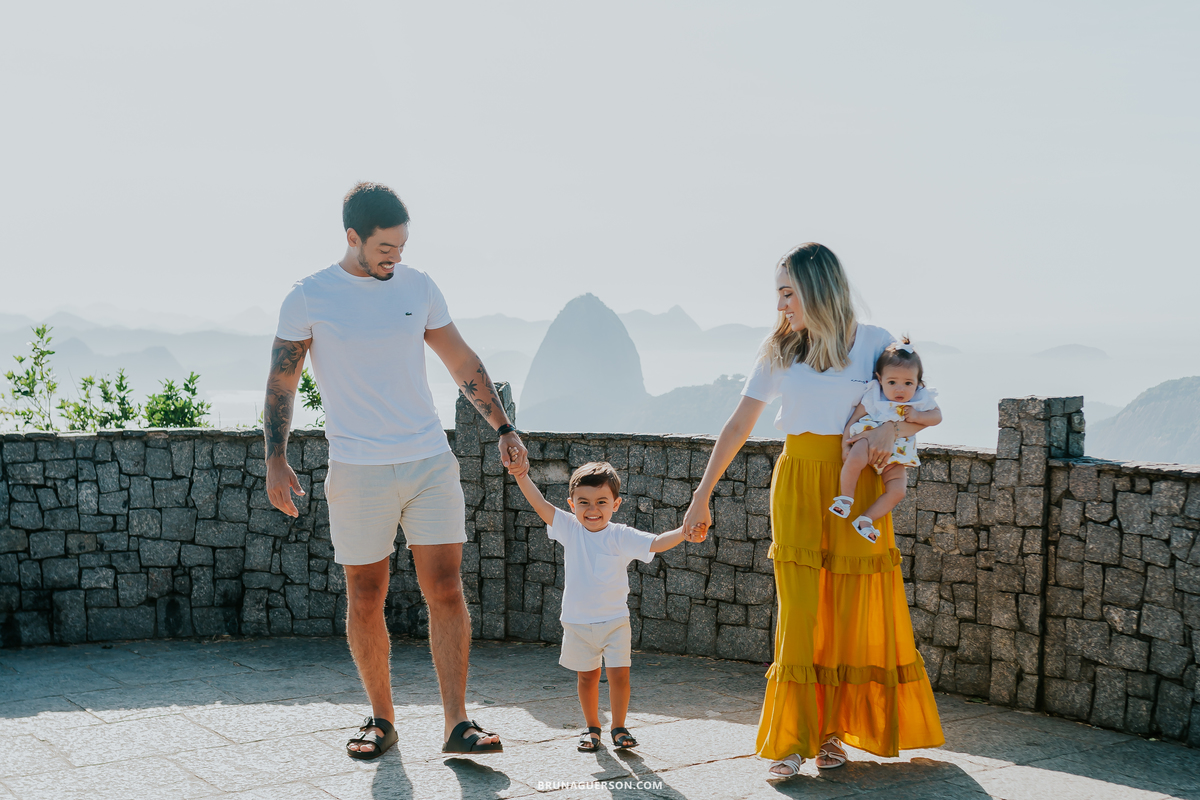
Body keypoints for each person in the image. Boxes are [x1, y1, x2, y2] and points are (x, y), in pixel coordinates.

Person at [264, 182, 528, 760]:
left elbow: (461, 359)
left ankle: (457, 723)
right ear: (352, 237)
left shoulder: (418, 286)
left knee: (447, 590)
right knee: (365, 596)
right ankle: (381, 720)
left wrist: (503, 428)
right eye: (385, 247)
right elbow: (283, 381)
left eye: (402, 245)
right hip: (358, 469)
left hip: (429, 461)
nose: (396, 256)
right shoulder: (309, 296)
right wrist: (275, 459)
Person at [681, 242, 945, 780]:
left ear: (817, 289)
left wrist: (895, 427)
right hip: (799, 479)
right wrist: (701, 494)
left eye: (787, 293)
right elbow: (738, 426)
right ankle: (791, 740)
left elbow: (916, 402)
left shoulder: (876, 344)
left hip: (857, 477)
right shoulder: (778, 352)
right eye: (778, 294)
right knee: (800, 610)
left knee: (845, 609)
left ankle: (830, 735)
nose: (781, 305)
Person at [510, 458, 695, 752]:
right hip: (578, 622)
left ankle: (619, 727)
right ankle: (592, 727)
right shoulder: (569, 528)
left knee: (619, 675)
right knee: (587, 676)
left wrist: (684, 532)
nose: (592, 509)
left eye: (601, 502)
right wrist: (521, 475)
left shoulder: (620, 535)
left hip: (615, 621)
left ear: (616, 504)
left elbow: (657, 542)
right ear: (572, 504)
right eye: (584, 502)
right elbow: (539, 503)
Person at [829, 337, 941, 542]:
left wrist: (918, 416)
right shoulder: (875, 396)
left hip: (895, 456)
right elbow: (853, 419)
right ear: (880, 379)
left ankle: (865, 519)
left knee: (898, 490)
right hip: (867, 440)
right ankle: (845, 499)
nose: (900, 389)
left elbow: (937, 417)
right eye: (892, 382)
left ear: (918, 383)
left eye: (908, 383)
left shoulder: (919, 400)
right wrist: (845, 444)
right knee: (855, 457)